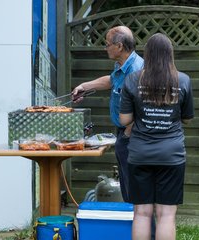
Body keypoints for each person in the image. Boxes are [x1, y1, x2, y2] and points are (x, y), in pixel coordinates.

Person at [72, 26, 156, 239]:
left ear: (119, 46)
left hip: (134, 137)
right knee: (131, 192)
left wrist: (127, 133)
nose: (105, 48)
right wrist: (84, 86)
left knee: (139, 194)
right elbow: (110, 81)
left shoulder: (138, 69)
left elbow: (145, 106)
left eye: (108, 44)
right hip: (125, 134)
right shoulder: (122, 67)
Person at [119, 33, 194, 240]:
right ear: (170, 55)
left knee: (142, 213)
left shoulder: (132, 79)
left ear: (147, 55)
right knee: (166, 215)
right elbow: (187, 118)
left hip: (140, 154)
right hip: (171, 155)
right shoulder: (183, 80)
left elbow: (125, 120)